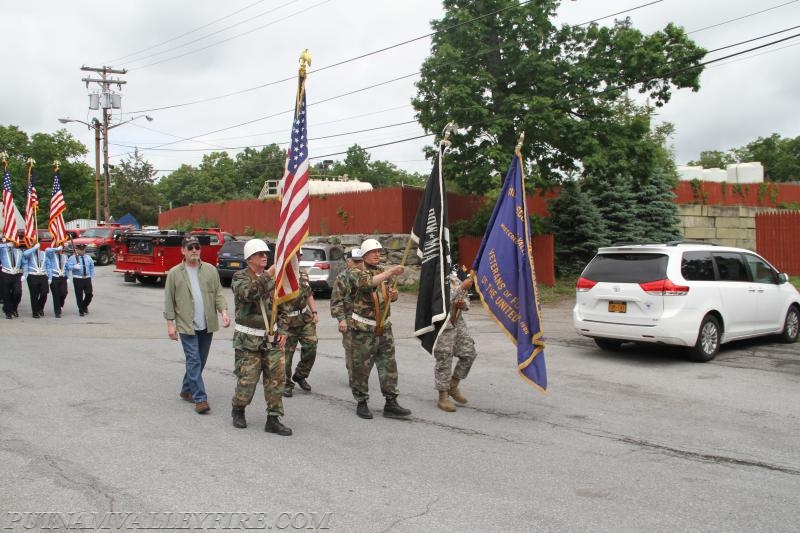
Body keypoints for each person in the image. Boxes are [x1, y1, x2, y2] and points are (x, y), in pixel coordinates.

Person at [230, 239, 292, 436]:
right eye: (259, 254)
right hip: (248, 340)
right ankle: (238, 409)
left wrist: (283, 329)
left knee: (276, 379)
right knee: (247, 381)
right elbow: (248, 293)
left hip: (271, 339)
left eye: (266, 254)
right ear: (249, 259)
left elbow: (283, 306)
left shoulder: (273, 279)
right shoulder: (240, 277)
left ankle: (273, 418)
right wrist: (270, 274)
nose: (264, 256)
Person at [164, 235, 230, 415]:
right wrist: (170, 324)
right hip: (187, 325)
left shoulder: (210, 270)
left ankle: (186, 389)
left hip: (207, 324)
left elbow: (218, 293)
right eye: (190, 247)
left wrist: (223, 311)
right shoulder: (174, 273)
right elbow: (169, 301)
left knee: (199, 361)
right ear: (183, 251)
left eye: (197, 247)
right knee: (193, 360)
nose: (194, 250)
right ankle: (200, 398)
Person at [348, 238, 410, 420]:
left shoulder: (382, 272)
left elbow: (387, 293)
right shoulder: (356, 272)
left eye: (378, 252)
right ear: (364, 255)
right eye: (373, 252)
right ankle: (361, 402)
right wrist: (391, 271)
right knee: (361, 367)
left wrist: (393, 295)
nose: (377, 255)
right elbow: (367, 284)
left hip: (384, 327)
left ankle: (391, 402)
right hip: (364, 329)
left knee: (389, 365)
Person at [433, 271, 478, 412]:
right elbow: (438, 300)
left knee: (469, 354)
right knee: (444, 359)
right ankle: (443, 395)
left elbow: (466, 302)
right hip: (442, 324)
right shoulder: (433, 278)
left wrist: (462, 304)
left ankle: (453, 384)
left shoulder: (454, 279)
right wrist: (461, 289)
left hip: (457, 323)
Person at [280, 252, 319, 398]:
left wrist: (314, 311)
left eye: (300, 255)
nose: (299, 258)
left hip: (304, 317)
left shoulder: (302, 273)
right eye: (296, 255)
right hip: (286, 321)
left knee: (311, 347)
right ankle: (286, 384)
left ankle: (300, 375)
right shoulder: (279, 274)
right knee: (286, 355)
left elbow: (308, 294)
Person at [330, 247, 364, 380]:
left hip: (366, 320)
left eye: (360, 261)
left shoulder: (369, 276)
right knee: (351, 349)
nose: (358, 264)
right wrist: (341, 319)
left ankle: (361, 375)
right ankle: (353, 377)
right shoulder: (342, 278)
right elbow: (336, 300)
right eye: (355, 262)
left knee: (364, 350)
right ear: (348, 262)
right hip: (349, 319)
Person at [66, 243, 94, 316]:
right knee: (79, 295)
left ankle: (84, 306)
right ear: (77, 250)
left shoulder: (88, 257)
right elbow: (68, 267)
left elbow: (91, 266)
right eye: (80, 250)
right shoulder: (72, 258)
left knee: (89, 294)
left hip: (87, 278)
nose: (82, 252)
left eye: (83, 250)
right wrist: (74, 266)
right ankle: (81, 310)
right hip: (78, 279)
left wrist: (91, 275)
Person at [22, 242, 48, 318]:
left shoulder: (43, 253)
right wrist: (34, 248)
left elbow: (48, 264)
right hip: (32, 275)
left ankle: (40, 307)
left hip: (43, 275)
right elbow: (25, 254)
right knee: (34, 295)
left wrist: (49, 276)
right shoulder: (30, 253)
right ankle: (35, 312)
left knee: (44, 293)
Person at [0, 237, 24, 319]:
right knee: (6, 294)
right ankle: (8, 312)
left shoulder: (19, 251)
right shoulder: (3, 250)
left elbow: (23, 262)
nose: (12, 243)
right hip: (6, 273)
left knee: (18, 292)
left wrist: (24, 273)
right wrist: (5, 245)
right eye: (11, 241)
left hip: (16, 274)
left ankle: (14, 307)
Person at [45, 245, 69, 318]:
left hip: (63, 277)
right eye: (59, 249)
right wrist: (56, 249)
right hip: (54, 277)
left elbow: (67, 267)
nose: (60, 250)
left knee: (64, 292)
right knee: (56, 295)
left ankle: (60, 304)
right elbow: (47, 250)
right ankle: (57, 312)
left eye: (61, 249)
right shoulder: (51, 256)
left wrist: (68, 276)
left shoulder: (65, 256)